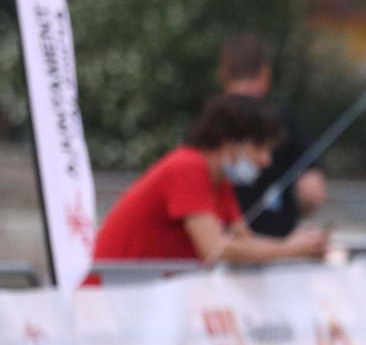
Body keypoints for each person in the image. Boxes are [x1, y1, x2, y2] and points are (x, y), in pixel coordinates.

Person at [93, 94, 329, 268]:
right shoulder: (188, 167)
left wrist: (298, 245)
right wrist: (291, 248)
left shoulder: (218, 181)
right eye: (259, 148)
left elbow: (245, 242)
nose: (266, 160)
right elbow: (214, 249)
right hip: (112, 296)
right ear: (229, 141)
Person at [216, 35, 326, 239]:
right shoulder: (283, 121)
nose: (266, 160)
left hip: (220, 240)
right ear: (265, 75)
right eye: (259, 148)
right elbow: (312, 193)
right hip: (269, 243)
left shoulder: (206, 121)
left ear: (223, 73)